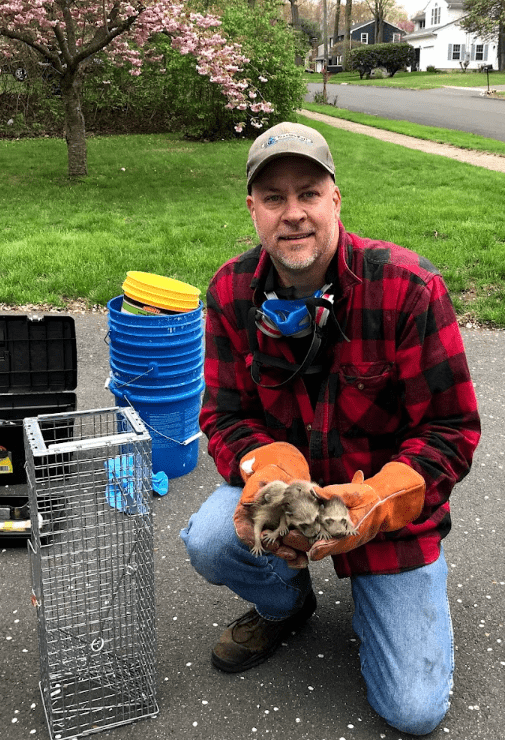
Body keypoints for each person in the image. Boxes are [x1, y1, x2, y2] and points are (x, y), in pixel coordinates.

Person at [180, 121, 481, 735]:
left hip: (379, 504)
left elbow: (451, 429)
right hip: (289, 500)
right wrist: (267, 469)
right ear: (253, 210)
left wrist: (378, 501)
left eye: (308, 193)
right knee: (209, 538)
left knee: (414, 711)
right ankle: (287, 603)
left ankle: (400, 597)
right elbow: (224, 416)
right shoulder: (231, 290)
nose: (293, 214)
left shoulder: (408, 287)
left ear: (335, 199)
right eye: (274, 198)